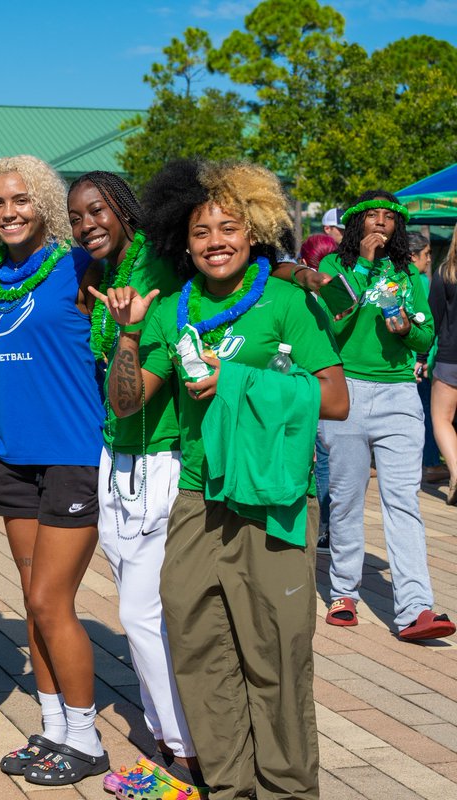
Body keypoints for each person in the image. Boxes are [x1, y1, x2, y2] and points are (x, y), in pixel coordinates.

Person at [98, 159, 348, 799]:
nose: (215, 241)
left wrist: (236, 381)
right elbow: (128, 403)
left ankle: (287, 790)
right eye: (201, 231)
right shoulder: (171, 310)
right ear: (183, 241)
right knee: (197, 643)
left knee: (276, 654)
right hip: (198, 497)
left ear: (255, 230)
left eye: (229, 227)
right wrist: (127, 335)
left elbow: (335, 398)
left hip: (274, 501)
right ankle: (228, 787)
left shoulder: (286, 302)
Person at [0, 157, 107, 788]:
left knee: (53, 600)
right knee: (32, 598)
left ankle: (88, 737)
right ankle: (54, 728)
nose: (10, 211)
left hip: (72, 455)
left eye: (21, 199)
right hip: (12, 458)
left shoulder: (80, 267)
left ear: (44, 203)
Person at [64, 171, 203, 796]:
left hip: (155, 457)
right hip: (116, 459)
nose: (87, 224)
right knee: (140, 612)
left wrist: (124, 329)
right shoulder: (113, 275)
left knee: (142, 614)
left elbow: (129, 400)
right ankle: (170, 743)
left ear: (124, 210)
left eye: (97, 211)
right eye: (76, 216)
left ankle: (186, 756)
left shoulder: (155, 279)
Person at [317, 192, 455, 641]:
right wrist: (360, 267)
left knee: (403, 500)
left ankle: (416, 608)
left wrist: (407, 329)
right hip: (346, 393)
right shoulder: (335, 270)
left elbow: (424, 335)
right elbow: (333, 325)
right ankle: (343, 592)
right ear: (356, 226)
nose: (381, 223)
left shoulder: (406, 274)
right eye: (371, 217)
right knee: (347, 497)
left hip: (398, 394)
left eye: (389, 218)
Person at [296, 233, 340, 548]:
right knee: (328, 459)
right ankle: (330, 527)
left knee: (316, 458)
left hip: (307, 386)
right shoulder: (337, 292)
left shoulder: (298, 296)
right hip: (338, 385)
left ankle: (320, 527)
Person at [407, 231, 446, 484]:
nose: (429, 260)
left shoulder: (400, 280)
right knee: (428, 413)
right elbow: (427, 324)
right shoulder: (419, 281)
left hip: (409, 359)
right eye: (426, 254)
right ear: (413, 256)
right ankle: (430, 463)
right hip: (422, 360)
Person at [430, 228, 457, 503]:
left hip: (451, 358)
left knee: (442, 419)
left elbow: (432, 319)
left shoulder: (446, 272)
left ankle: (456, 472)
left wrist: (419, 358)